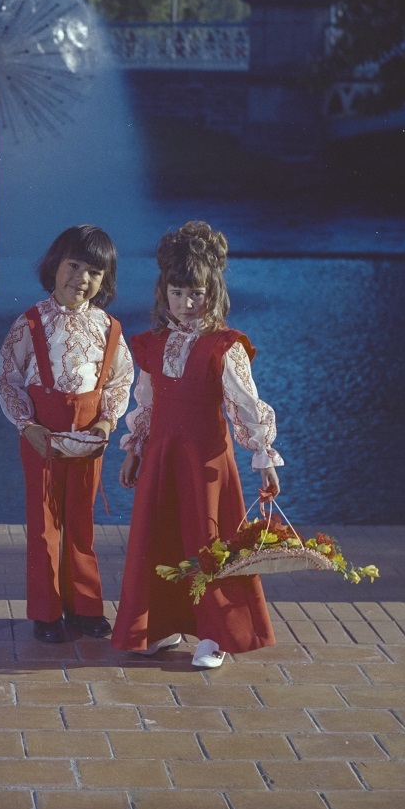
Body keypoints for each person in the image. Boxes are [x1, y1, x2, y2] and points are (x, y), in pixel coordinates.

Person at [111, 221, 282, 669]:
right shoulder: (153, 344)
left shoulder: (224, 346)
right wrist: (134, 449)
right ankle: (163, 624)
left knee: (207, 538)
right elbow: (146, 403)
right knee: (160, 535)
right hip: (162, 458)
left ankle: (214, 634)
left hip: (205, 461)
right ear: (163, 292)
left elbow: (246, 404)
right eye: (177, 293)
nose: (186, 303)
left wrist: (263, 456)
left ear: (214, 293)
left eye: (197, 294)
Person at [0, 226, 134, 644]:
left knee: (80, 521)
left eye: (94, 272)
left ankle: (84, 607)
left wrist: (107, 422)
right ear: (54, 265)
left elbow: (120, 380)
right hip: (42, 435)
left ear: (105, 280)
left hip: (90, 437)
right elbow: (7, 377)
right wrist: (27, 425)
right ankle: (46, 611)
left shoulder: (108, 327)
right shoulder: (31, 323)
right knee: (44, 524)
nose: (81, 278)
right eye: (73, 266)